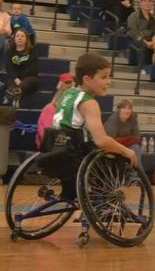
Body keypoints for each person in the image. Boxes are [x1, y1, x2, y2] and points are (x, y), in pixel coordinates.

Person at [42, 53, 138, 201]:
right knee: (119, 156)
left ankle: (79, 196)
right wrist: (127, 151)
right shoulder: (89, 103)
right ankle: (104, 204)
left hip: (54, 151)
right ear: (87, 79)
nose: (109, 82)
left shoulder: (68, 94)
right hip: (75, 157)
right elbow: (101, 141)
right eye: (104, 77)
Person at [36, 74, 76, 149]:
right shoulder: (50, 109)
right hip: (52, 146)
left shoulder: (76, 108)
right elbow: (44, 134)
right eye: (67, 83)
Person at [4, 29, 39, 105]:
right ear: (14, 38)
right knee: (11, 83)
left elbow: (33, 68)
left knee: (30, 81)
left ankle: (11, 95)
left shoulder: (32, 51)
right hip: (14, 78)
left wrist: (21, 81)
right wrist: (16, 79)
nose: (20, 38)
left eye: (22, 36)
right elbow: (9, 67)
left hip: (29, 78)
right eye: (17, 36)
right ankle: (15, 95)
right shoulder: (9, 51)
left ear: (26, 39)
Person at [127, 0, 155, 64]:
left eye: (149, 2)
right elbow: (132, 32)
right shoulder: (133, 16)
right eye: (145, 1)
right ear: (140, 4)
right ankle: (142, 67)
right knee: (142, 45)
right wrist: (146, 43)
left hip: (150, 41)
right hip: (136, 41)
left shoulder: (154, 19)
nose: (147, 3)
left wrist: (154, 42)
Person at [0, 0, 10, 72]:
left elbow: (8, 31)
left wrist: (3, 30)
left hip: (2, 38)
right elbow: (4, 29)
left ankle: (2, 67)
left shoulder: (5, 15)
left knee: (6, 43)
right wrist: (2, 28)